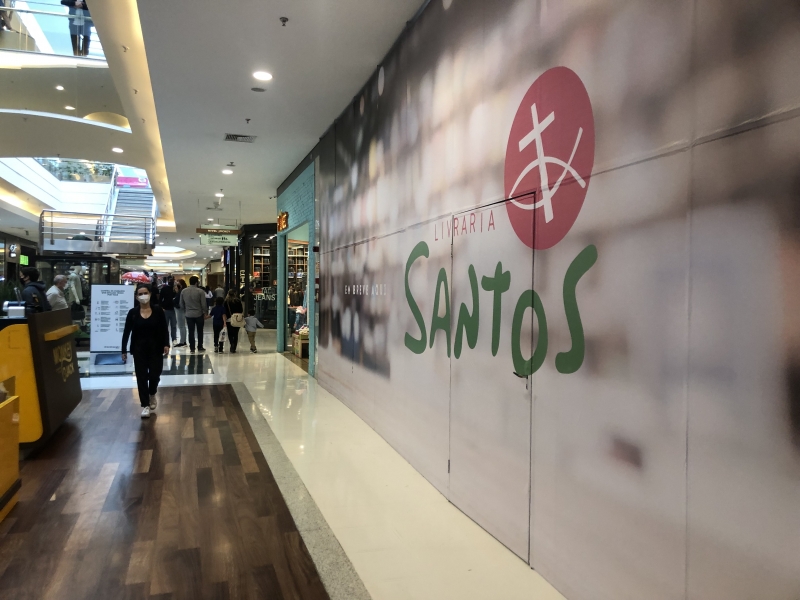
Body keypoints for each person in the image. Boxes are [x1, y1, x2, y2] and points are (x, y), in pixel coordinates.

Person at [121, 284, 170, 419]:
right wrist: (123, 349)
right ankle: (145, 405)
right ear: (136, 297)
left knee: (155, 374)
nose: (143, 296)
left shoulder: (158, 310)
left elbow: (164, 328)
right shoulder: (133, 313)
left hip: (156, 348)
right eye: (140, 294)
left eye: (145, 293)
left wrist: (166, 344)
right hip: (139, 349)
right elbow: (126, 332)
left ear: (150, 294)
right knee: (141, 376)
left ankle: (152, 393)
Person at [180, 276, 208, 353]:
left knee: (191, 331)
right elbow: (203, 304)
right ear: (196, 282)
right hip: (199, 314)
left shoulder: (183, 291)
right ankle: (200, 346)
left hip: (188, 314)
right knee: (200, 331)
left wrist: (185, 310)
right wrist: (205, 312)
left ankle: (192, 348)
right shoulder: (200, 291)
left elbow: (181, 304)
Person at [159, 276, 177, 345]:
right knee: (165, 326)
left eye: (172, 280)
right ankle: (165, 340)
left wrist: (176, 291)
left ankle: (174, 339)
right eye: (170, 280)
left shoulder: (175, 289)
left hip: (174, 309)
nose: (171, 281)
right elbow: (160, 299)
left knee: (174, 326)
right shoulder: (164, 289)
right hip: (165, 309)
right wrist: (161, 307)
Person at [173, 279, 187, 347]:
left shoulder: (181, 291)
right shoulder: (182, 290)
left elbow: (177, 301)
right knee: (182, 326)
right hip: (181, 309)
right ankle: (183, 341)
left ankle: (182, 342)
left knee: (181, 326)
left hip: (180, 309)